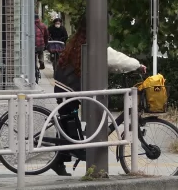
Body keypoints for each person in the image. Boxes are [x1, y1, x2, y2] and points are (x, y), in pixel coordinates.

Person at [50, 22, 144, 176]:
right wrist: (137, 65)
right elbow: (115, 59)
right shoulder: (93, 45)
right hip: (69, 87)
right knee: (70, 122)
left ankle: (59, 160)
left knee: (68, 121)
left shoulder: (75, 42)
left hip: (64, 85)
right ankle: (68, 155)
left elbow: (108, 63)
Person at [34, 15, 48, 82]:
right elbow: (46, 35)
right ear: (39, 19)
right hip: (41, 44)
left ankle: (33, 65)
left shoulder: (29, 25)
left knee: (32, 55)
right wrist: (45, 44)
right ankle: (41, 61)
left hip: (32, 45)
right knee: (41, 52)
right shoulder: (43, 25)